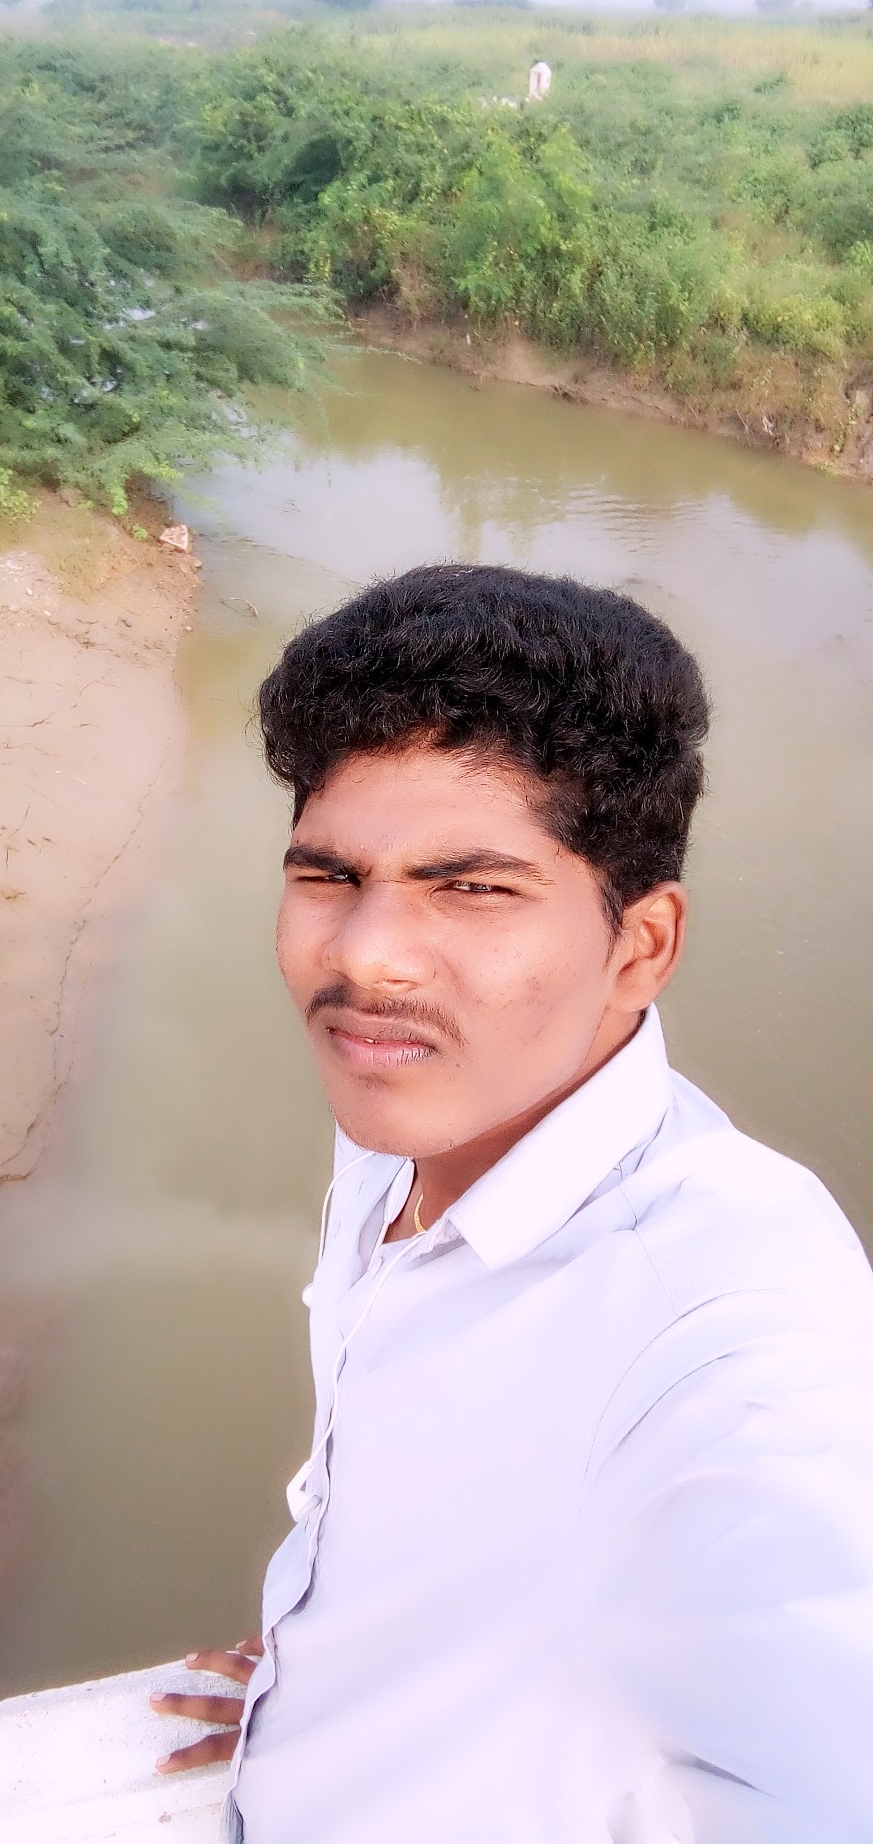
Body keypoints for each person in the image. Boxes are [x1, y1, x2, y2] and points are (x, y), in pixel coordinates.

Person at [149, 565, 873, 1841]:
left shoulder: (732, 1348)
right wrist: (330, 1663)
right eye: (328, 876)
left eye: (471, 887)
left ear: (640, 946)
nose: (364, 955)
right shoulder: (410, 1122)